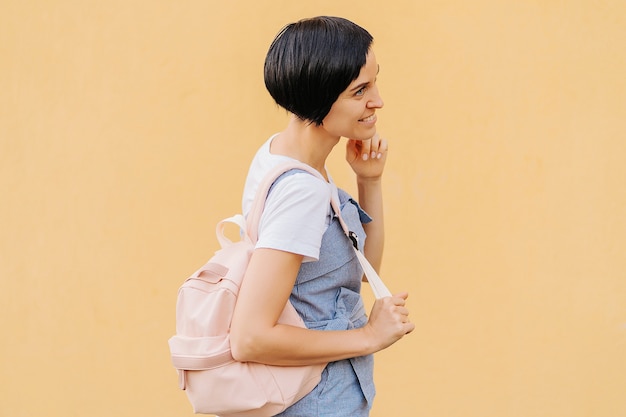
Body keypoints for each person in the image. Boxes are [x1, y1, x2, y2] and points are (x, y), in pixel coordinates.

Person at [230, 16, 414, 417]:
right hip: (316, 402)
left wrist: (369, 182)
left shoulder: (280, 155)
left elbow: (365, 273)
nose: (377, 101)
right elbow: (250, 337)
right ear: (319, 98)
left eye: (374, 81)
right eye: (359, 91)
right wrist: (368, 337)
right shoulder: (301, 192)